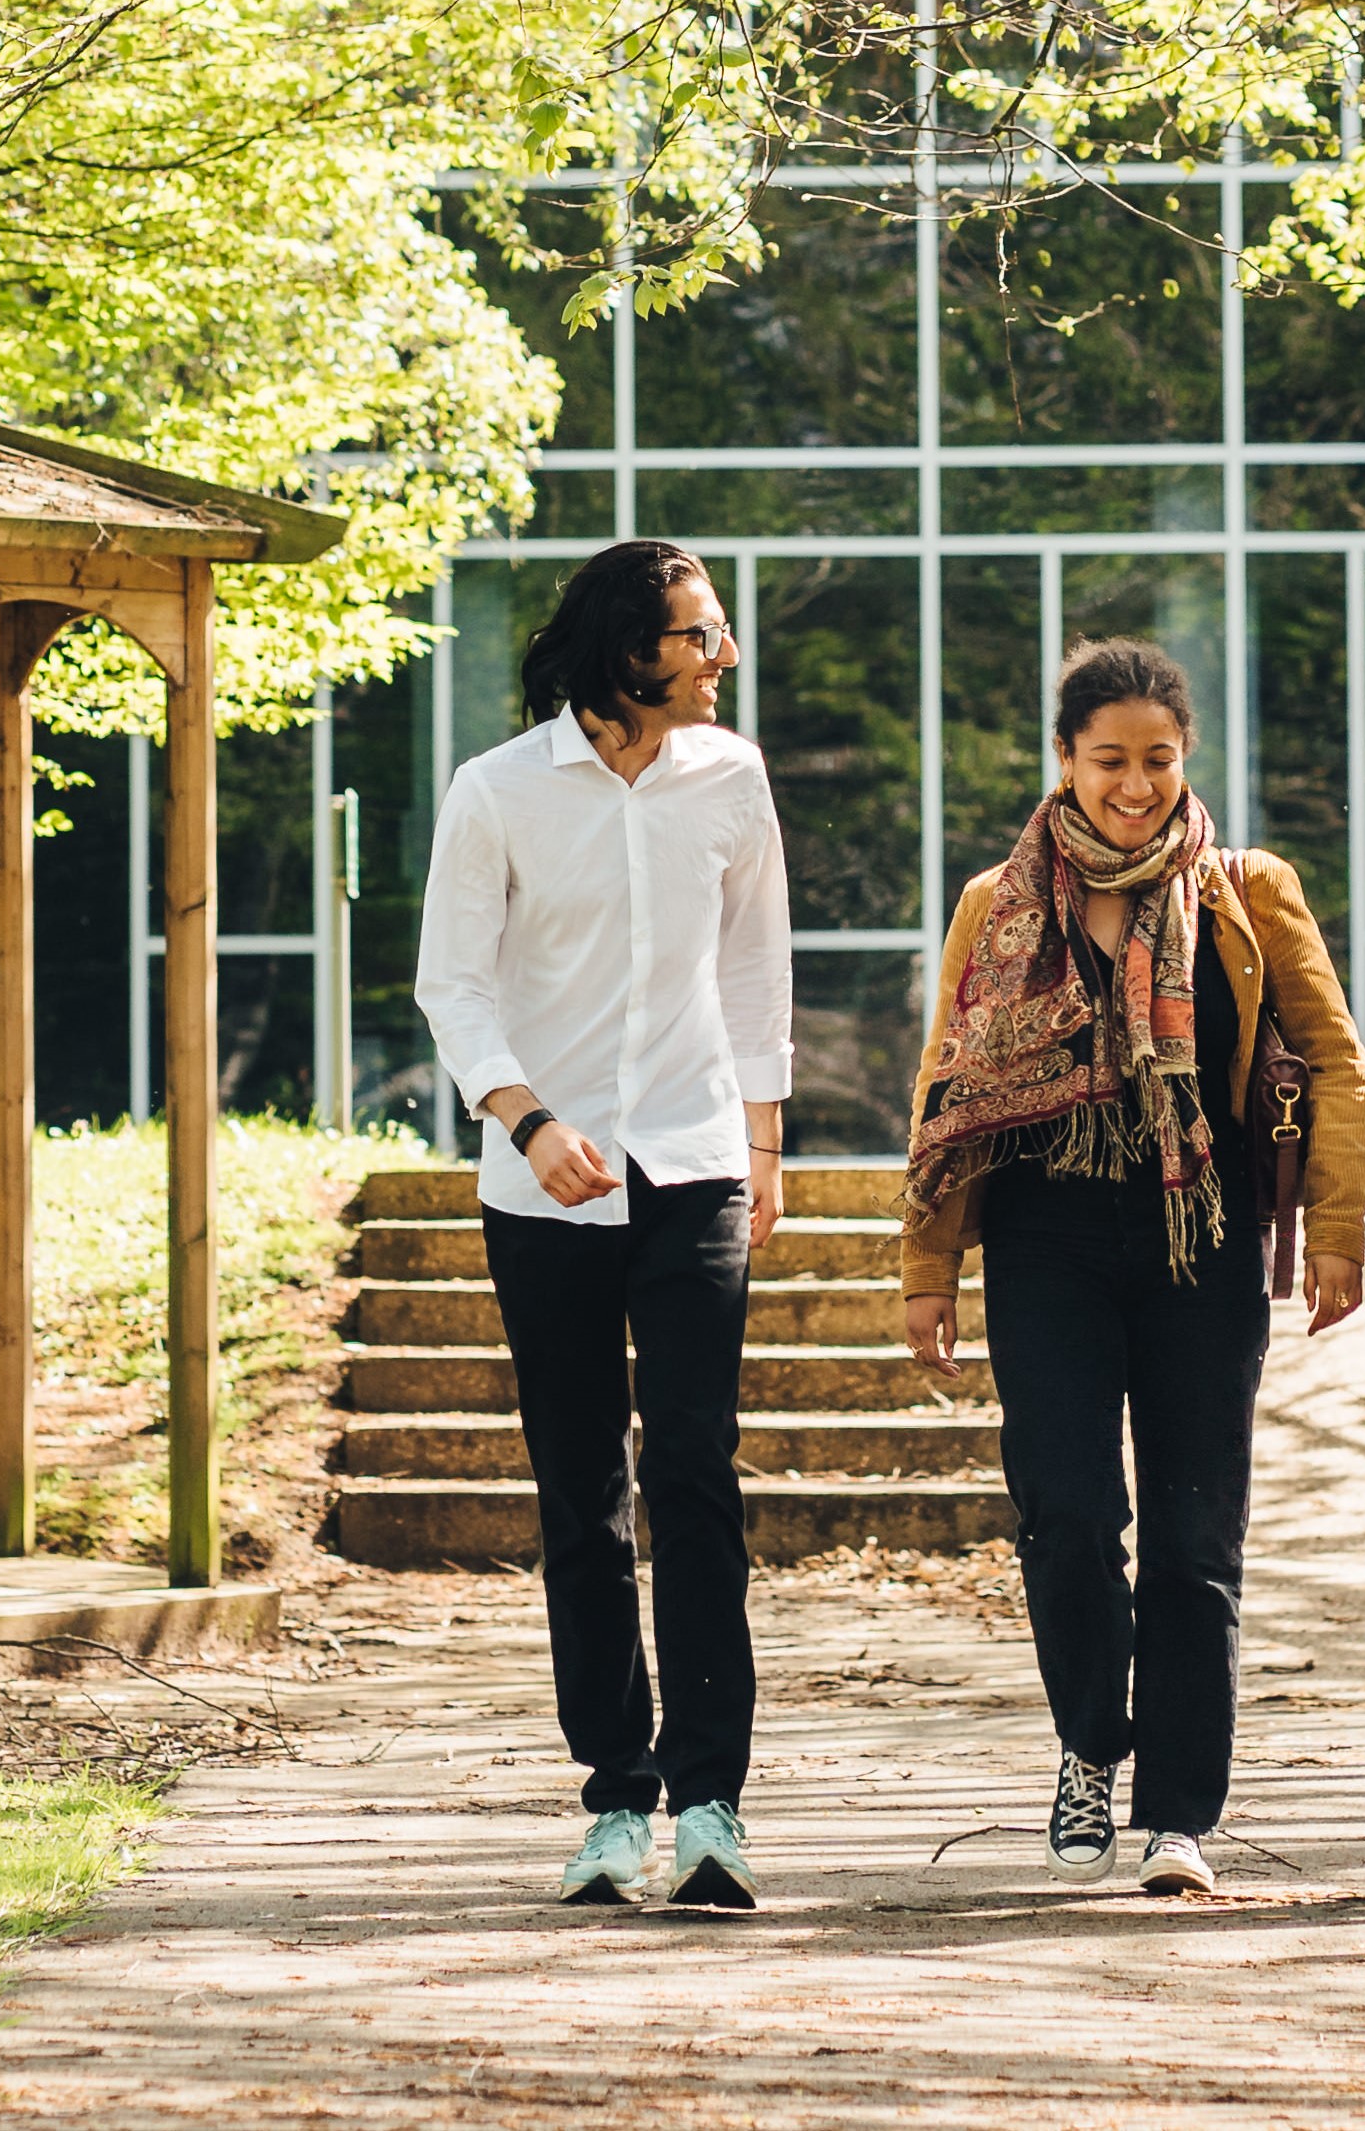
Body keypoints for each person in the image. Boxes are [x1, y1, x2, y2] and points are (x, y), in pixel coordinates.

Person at [895, 638, 1365, 1898]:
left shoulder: (1243, 890)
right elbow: (947, 1092)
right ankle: (1087, 1746)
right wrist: (926, 1267)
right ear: (1063, 759)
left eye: (1157, 760)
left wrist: (1333, 1231)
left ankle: (1177, 1814)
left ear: (1186, 758)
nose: (1135, 785)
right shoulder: (997, 904)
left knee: (1193, 1538)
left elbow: (1334, 1064)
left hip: (1199, 1242)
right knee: (1064, 1520)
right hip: (1046, 1243)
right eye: (1109, 760)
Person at [413, 536, 795, 1913]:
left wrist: (761, 1148)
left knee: (696, 1471)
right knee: (584, 1496)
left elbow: (757, 969)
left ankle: (710, 1804)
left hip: (694, 1165)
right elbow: (452, 985)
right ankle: (614, 1799)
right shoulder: (499, 791)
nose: (723, 659)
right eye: (699, 638)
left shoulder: (731, 779)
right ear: (628, 653)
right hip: (542, 1183)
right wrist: (525, 1118)